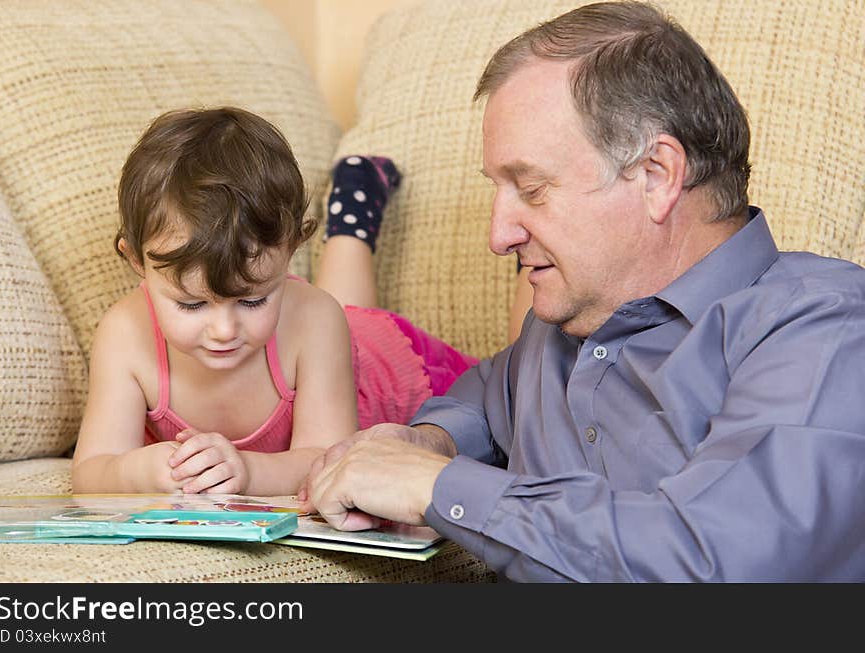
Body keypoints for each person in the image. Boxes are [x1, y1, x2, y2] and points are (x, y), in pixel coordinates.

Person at [303, 1, 865, 581]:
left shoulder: (826, 329)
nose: (499, 237)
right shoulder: (563, 323)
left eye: (532, 188)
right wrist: (430, 440)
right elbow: (489, 398)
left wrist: (433, 485)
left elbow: (717, 563)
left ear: (656, 176)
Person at [72, 106, 499, 496]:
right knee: (336, 308)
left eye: (253, 300)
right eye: (191, 305)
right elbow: (91, 473)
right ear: (136, 261)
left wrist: (248, 474)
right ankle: (355, 197)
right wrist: (138, 472)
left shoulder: (315, 319)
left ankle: (529, 251)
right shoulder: (125, 333)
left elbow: (330, 459)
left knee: (517, 389)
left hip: (381, 366)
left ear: (291, 250)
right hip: (325, 331)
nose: (224, 330)